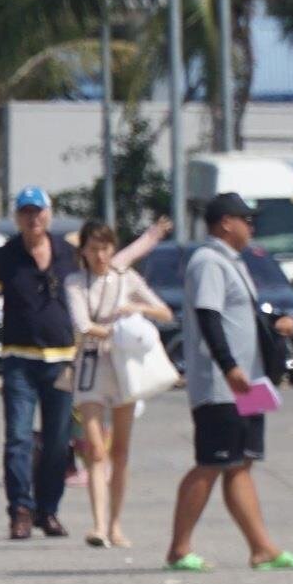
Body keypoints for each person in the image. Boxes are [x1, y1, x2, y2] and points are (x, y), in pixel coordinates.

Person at [166, 194, 293, 572]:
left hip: (250, 383)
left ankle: (262, 548)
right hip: (222, 385)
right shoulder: (208, 262)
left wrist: (277, 323)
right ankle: (179, 549)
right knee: (211, 463)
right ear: (226, 222)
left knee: (242, 463)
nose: (252, 227)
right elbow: (209, 318)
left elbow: (238, 317)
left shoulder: (235, 263)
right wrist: (228, 366)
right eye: (247, 219)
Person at [0, 186, 79, 540]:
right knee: (17, 437)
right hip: (19, 360)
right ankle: (20, 508)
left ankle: (48, 510)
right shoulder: (5, 256)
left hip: (62, 361)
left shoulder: (69, 254)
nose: (33, 219)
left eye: (39, 212)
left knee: (58, 441)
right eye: (26, 213)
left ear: (49, 213)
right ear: (17, 217)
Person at [65, 219, 174, 548]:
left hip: (124, 368)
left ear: (113, 248)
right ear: (83, 250)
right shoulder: (75, 282)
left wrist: (135, 309)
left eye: (105, 248)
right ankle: (98, 526)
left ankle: (115, 525)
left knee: (121, 452)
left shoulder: (125, 277)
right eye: (93, 248)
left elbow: (164, 312)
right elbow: (83, 325)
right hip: (90, 369)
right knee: (96, 450)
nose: (100, 255)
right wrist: (118, 331)